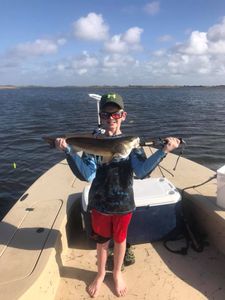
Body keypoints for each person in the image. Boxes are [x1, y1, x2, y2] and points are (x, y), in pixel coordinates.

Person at [55, 93, 180, 298]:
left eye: (116, 115)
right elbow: (87, 174)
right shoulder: (93, 142)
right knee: (102, 242)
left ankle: (117, 273)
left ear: (123, 115)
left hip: (123, 205)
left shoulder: (132, 143)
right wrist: (69, 151)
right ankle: (100, 273)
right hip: (100, 205)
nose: (111, 119)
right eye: (106, 115)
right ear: (100, 116)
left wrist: (163, 151)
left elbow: (141, 171)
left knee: (120, 240)